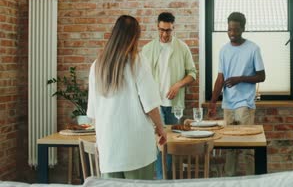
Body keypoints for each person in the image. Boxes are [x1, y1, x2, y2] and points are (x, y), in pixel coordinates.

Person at [87, 15, 167, 179]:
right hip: (136, 149)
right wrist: (161, 129)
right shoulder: (137, 61)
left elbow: (94, 114)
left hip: (109, 149)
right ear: (133, 37)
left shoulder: (97, 65)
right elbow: (151, 105)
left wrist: (101, 139)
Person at [208, 12, 266, 176]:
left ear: (243, 29)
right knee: (230, 147)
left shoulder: (253, 48)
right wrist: (213, 103)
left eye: (236, 30)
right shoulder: (224, 50)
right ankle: (230, 180)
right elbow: (220, 79)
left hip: (245, 105)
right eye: (229, 30)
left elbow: (261, 76)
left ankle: (252, 181)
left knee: (248, 147)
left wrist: (240, 78)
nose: (232, 33)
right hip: (228, 105)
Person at [141, 12, 197, 179]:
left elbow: (192, 74)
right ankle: (161, 179)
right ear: (157, 28)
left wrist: (178, 84)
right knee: (158, 145)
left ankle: (168, 179)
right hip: (154, 105)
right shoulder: (147, 49)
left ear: (174, 28)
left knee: (171, 145)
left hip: (174, 106)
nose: (164, 34)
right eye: (161, 30)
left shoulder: (182, 47)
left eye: (168, 30)